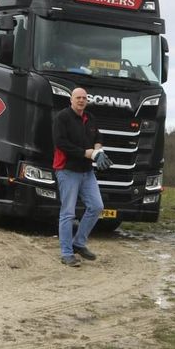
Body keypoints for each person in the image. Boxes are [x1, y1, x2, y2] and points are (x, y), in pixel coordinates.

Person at [52, 87, 106, 267]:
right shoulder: (62, 117)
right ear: (71, 100)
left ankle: (78, 243)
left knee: (97, 206)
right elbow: (60, 143)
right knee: (68, 213)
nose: (81, 100)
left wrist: (98, 151)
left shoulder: (90, 118)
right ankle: (66, 254)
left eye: (84, 98)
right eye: (78, 98)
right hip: (67, 170)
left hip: (87, 172)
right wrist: (86, 153)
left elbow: (98, 136)